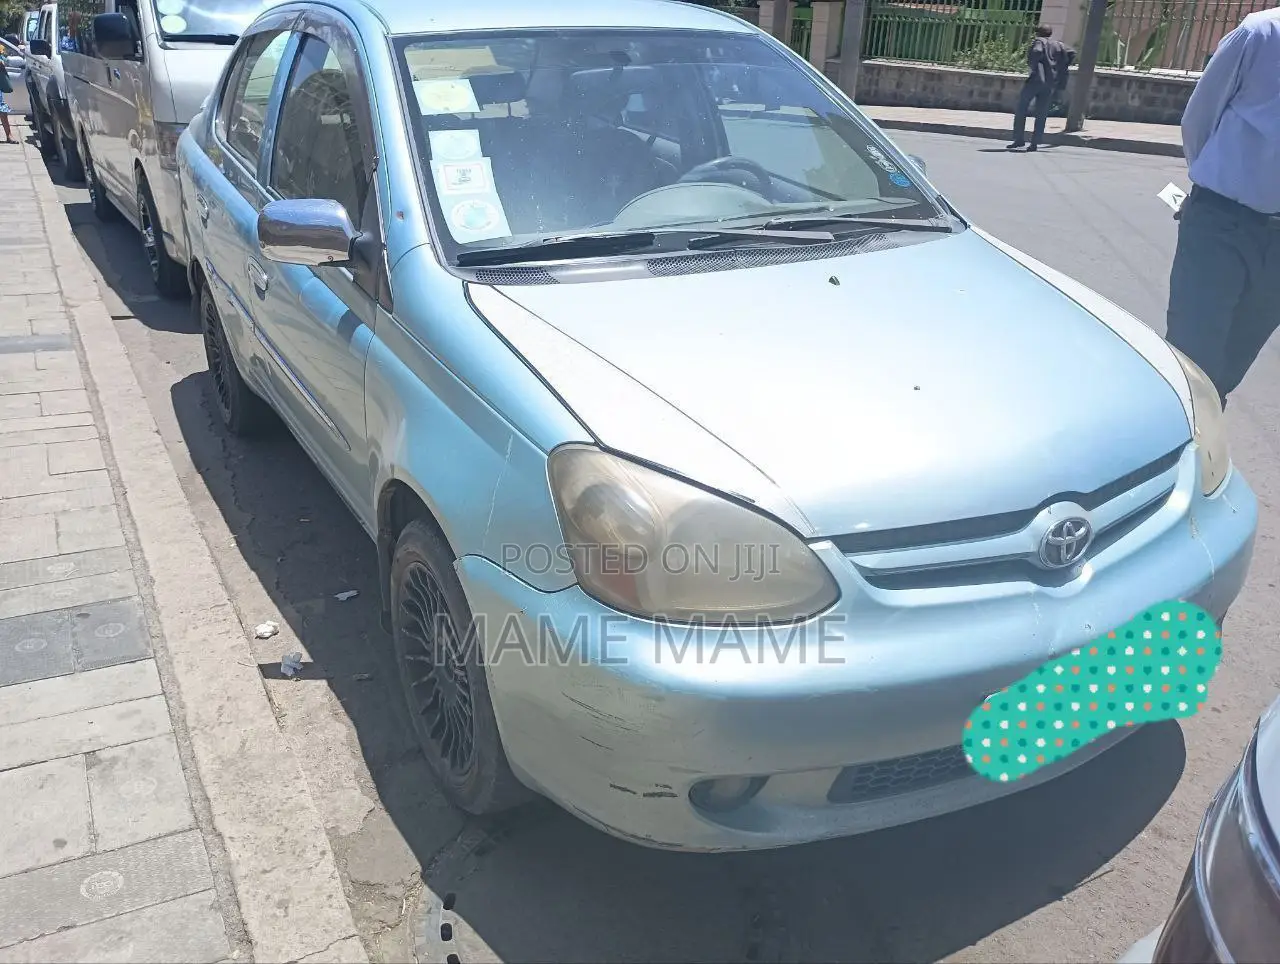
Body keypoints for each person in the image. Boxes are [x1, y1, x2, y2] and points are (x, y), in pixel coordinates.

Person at [1164, 6, 1280, 409]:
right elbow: (1201, 114)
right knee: (1191, 364)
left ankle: (1198, 448)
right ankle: (1169, 454)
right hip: (1222, 221)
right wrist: (1208, 186)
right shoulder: (1262, 33)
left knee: (1226, 372)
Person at [1008, 25, 1075, 152]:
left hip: (1036, 81)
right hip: (1050, 83)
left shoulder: (1039, 42)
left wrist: (1034, 65)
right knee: (1041, 113)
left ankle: (1019, 139)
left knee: (1022, 107)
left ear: (1038, 33)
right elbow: (1072, 53)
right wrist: (1060, 66)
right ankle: (1035, 142)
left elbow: (1037, 52)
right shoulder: (1058, 45)